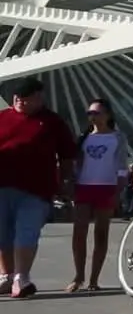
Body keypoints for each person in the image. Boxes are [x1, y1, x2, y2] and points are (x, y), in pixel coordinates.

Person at [0, 77, 78, 299]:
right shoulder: (2, 118)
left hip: (36, 188)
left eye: (24, 99)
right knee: (2, 234)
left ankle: (21, 278)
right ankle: (5, 276)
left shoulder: (52, 122)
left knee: (27, 232)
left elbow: (66, 155)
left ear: (37, 97)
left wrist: (66, 181)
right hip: (1, 184)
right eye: (15, 99)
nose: (19, 102)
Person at [67, 98, 129, 292]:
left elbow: (121, 165)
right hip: (84, 187)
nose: (92, 116)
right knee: (79, 233)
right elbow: (77, 164)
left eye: (97, 113)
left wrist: (119, 189)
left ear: (108, 115)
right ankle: (79, 276)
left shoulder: (117, 137)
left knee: (101, 234)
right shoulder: (84, 137)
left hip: (106, 187)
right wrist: (70, 184)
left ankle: (94, 279)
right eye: (90, 113)